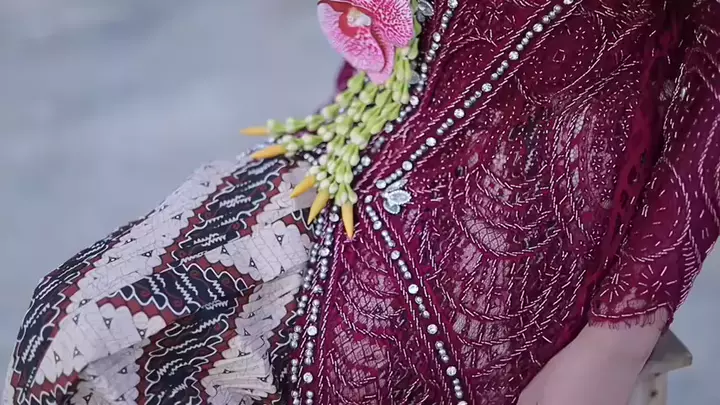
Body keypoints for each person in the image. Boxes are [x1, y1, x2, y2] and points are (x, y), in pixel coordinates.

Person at [4, 0, 720, 404]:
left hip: (504, 237)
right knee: (69, 330)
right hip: (351, 153)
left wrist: (617, 338)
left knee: (92, 362)